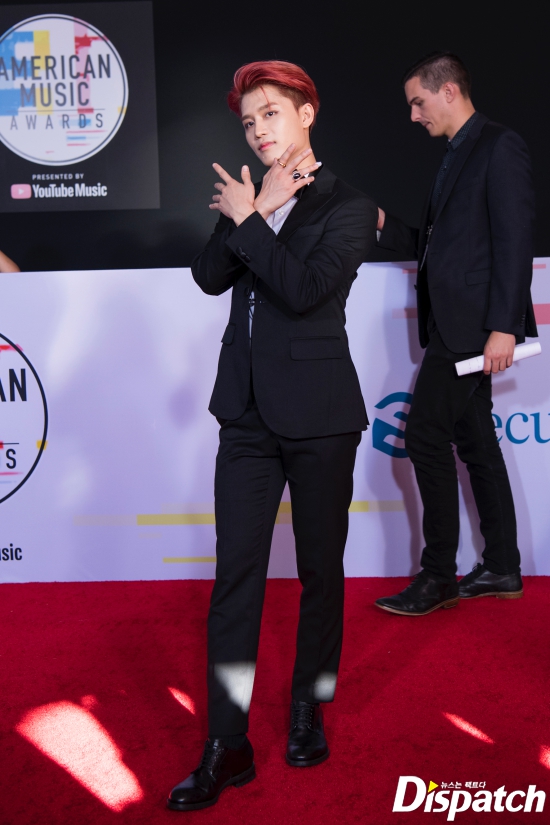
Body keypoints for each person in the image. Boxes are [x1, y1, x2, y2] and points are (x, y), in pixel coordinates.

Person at [166, 60, 377, 811]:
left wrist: (256, 216)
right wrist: (252, 212)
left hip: (321, 416)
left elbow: (306, 292)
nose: (258, 130)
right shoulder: (252, 196)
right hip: (246, 418)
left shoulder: (350, 206)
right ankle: (227, 743)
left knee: (321, 571)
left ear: (306, 114)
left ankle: (307, 706)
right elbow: (208, 276)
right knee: (235, 577)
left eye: (271, 113)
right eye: (249, 119)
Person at [375, 52, 537, 617]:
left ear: (448, 91)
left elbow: (515, 242)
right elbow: (439, 246)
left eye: (418, 102)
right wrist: (383, 225)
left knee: (424, 436)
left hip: (471, 328)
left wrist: (503, 328)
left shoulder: (498, 146)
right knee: (476, 444)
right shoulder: (456, 153)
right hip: (455, 325)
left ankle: (438, 576)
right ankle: (502, 566)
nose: (413, 115)